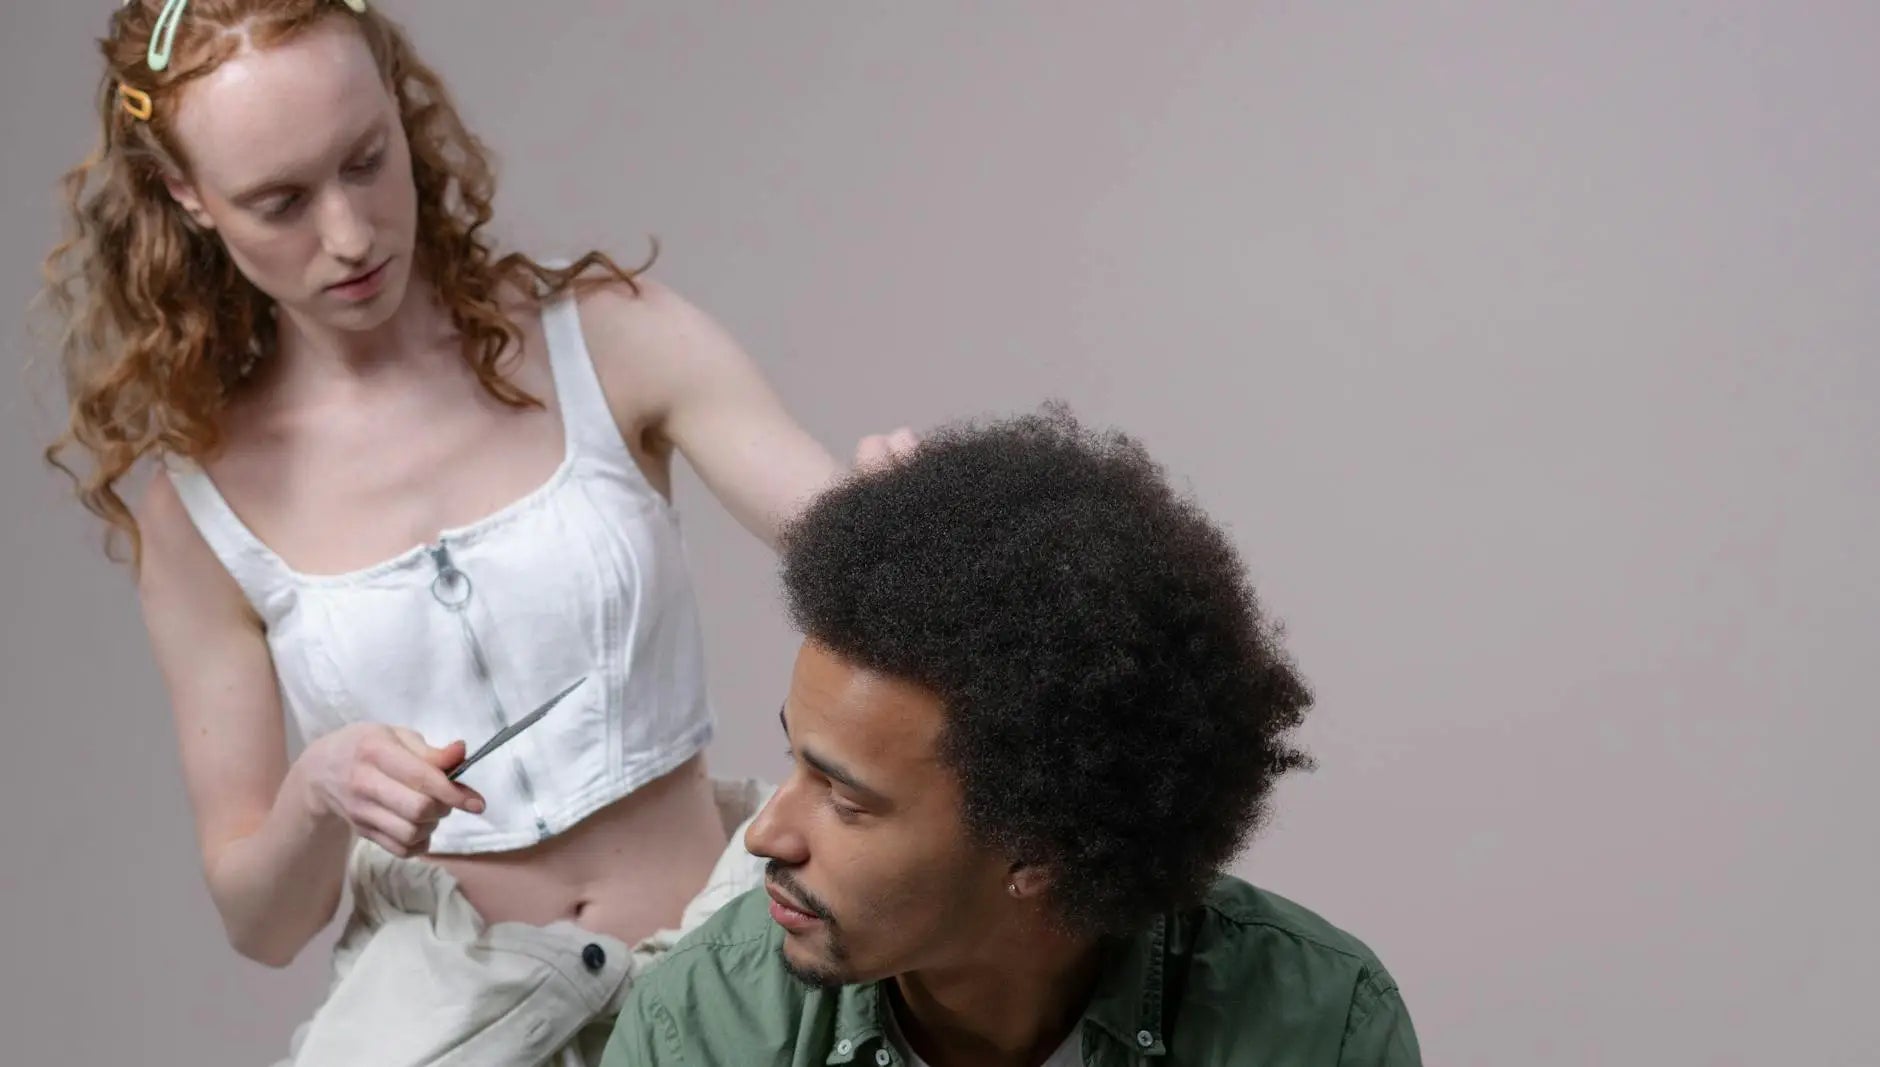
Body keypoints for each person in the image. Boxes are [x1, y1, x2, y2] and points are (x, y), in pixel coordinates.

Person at [37, 2, 912, 1063]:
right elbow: (260, 923)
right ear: (188, 195)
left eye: (367, 159)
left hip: (732, 997)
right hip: (449, 1030)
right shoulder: (199, 518)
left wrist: (900, 519)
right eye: (280, 201)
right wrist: (320, 787)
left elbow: (854, 544)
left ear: (402, 116)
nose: (350, 234)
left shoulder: (612, 339)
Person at [601, 407, 1422, 1067]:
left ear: (1040, 849)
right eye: (795, 762)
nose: (764, 833)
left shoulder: (1321, 1026)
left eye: (846, 800)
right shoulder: (701, 1026)